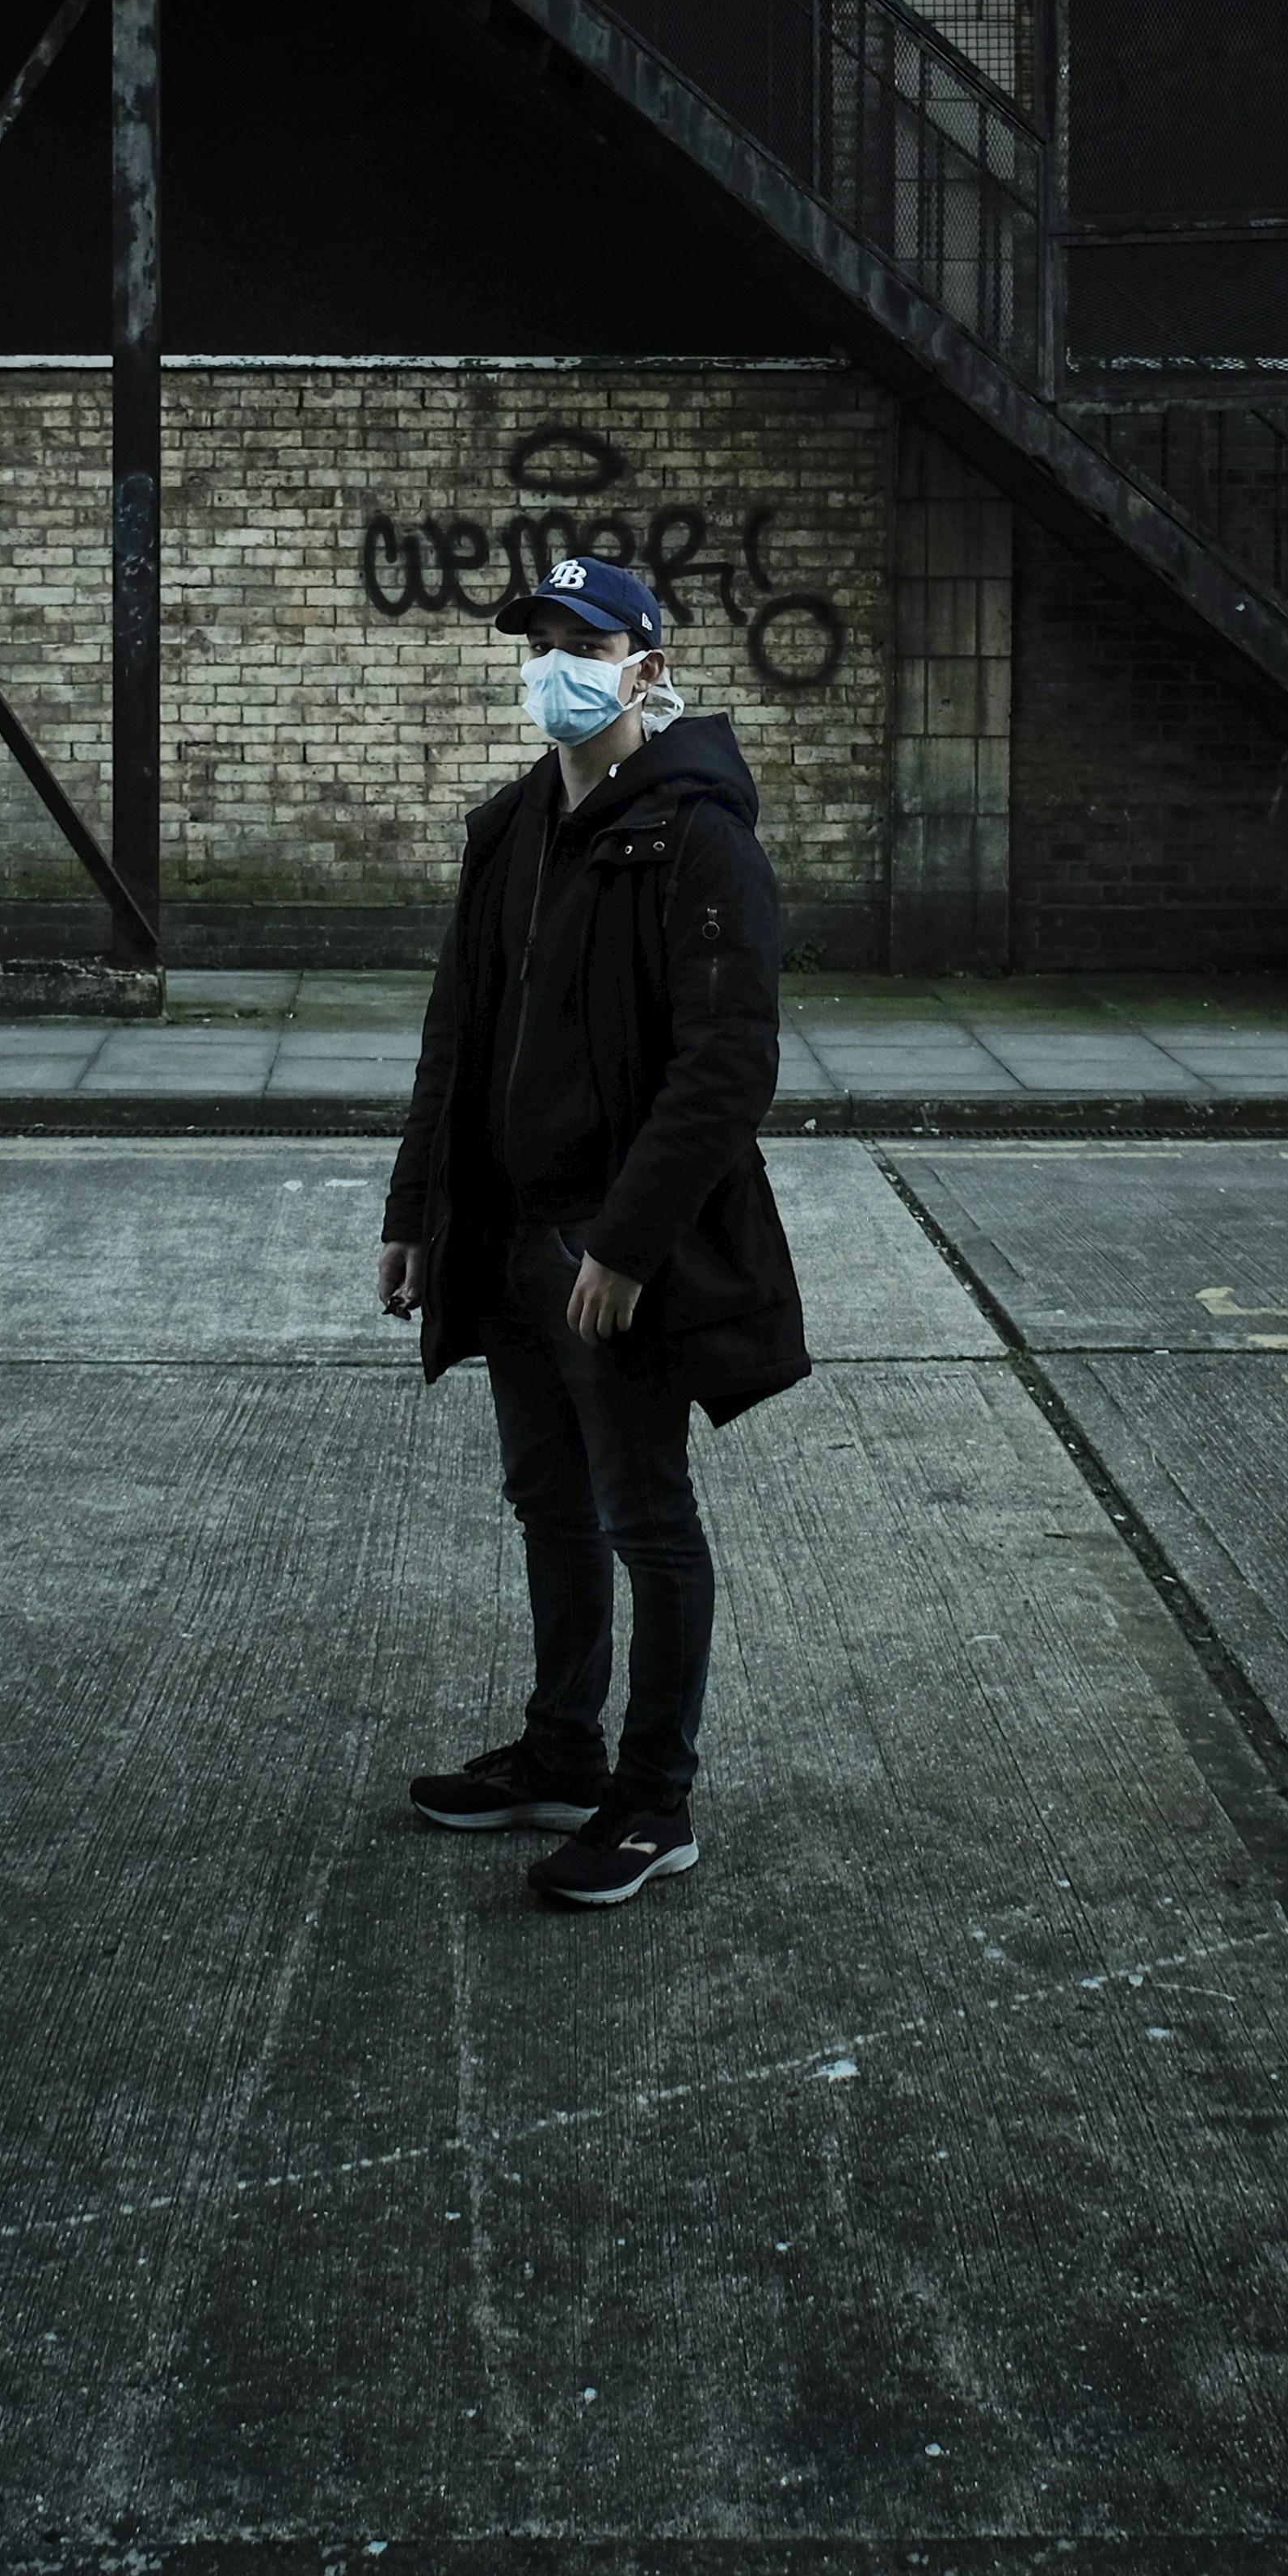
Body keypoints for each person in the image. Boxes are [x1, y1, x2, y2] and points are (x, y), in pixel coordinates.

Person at [376, 549, 809, 1909]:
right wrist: (415, 1210)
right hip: (506, 1234)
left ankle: (652, 1799)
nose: (556, 665)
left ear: (646, 668)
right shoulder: (513, 827)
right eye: (540, 640)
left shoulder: (696, 833)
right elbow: (457, 1035)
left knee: (645, 1519)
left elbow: (727, 1066)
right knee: (549, 1505)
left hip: (609, 1251)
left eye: (586, 643)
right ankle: (561, 1753)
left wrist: (626, 1246)